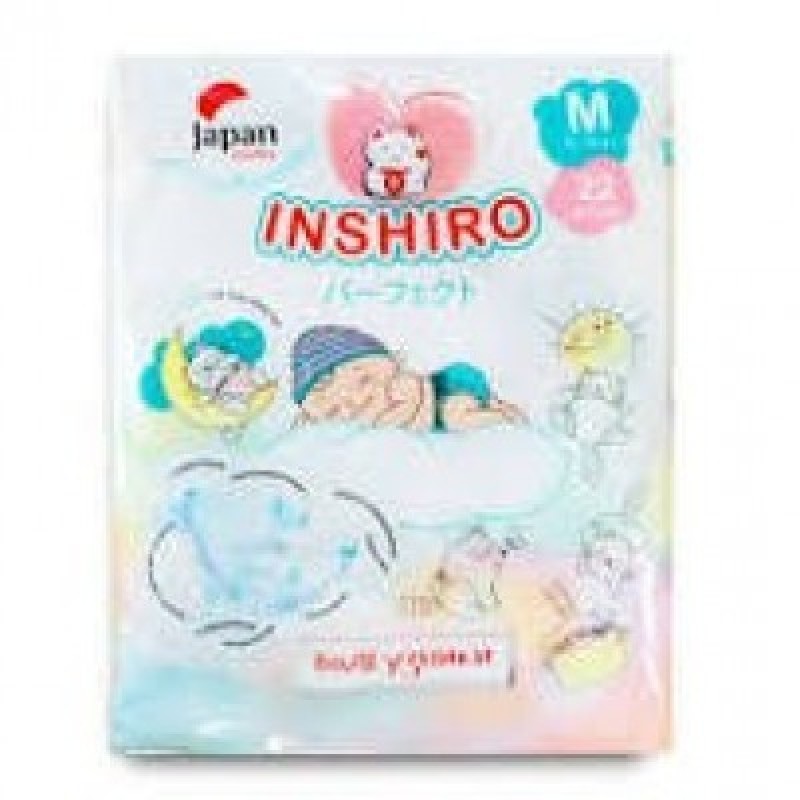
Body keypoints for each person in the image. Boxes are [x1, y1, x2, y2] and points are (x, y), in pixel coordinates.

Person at [291, 325, 526, 432]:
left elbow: (411, 405)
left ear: (392, 361)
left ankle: (504, 416)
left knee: (457, 418)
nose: (357, 401)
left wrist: (377, 421)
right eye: (335, 411)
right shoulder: (360, 415)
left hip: (449, 387)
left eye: (364, 381)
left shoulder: (396, 388)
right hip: (439, 402)